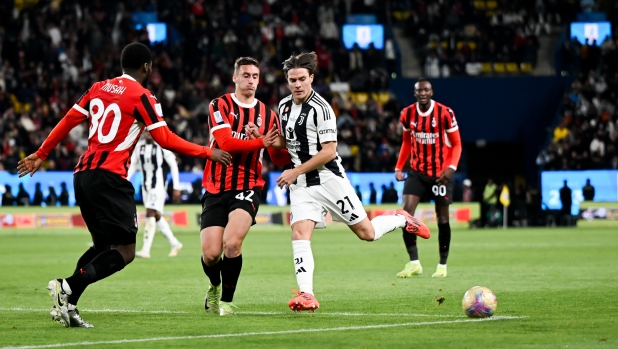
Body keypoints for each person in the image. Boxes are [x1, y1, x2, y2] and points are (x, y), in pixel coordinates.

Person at [16, 43, 231, 328]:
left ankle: (67, 304)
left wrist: (42, 153)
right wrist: (207, 151)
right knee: (126, 251)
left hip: (83, 175)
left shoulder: (97, 88)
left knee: (102, 245)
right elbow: (165, 139)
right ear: (147, 68)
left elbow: (68, 120)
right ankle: (65, 286)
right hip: (110, 178)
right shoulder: (143, 96)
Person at [264, 52, 429, 312]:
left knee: (368, 233)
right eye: (292, 80)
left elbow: (329, 151)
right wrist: (266, 139)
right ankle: (307, 294)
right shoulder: (284, 107)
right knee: (298, 233)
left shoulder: (322, 109)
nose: (297, 84)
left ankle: (402, 219)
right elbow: (291, 141)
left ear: (311, 78)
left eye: (301, 79)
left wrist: (295, 171)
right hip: (302, 185)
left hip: (329, 179)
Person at [199, 57, 286, 317]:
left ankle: (226, 301)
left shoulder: (268, 115)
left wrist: (266, 140)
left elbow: (279, 158)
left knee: (232, 243)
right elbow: (225, 142)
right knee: (211, 254)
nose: (250, 80)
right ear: (235, 77)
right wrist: (260, 142)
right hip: (215, 185)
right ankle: (214, 285)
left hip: (248, 185)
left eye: (255, 76)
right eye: (245, 75)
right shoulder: (219, 104)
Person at [394, 77, 462, 279]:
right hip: (417, 172)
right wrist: (399, 166)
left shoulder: (445, 113)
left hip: (440, 175)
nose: (423, 93)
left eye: (426, 90)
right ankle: (414, 263)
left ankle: (442, 265)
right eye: (419, 90)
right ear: (415, 93)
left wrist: (451, 168)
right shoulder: (407, 114)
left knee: (442, 219)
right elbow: (407, 142)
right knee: (406, 215)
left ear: (431, 92)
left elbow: (457, 144)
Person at [127, 131, 184, 258]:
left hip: (158, 186)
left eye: (150, 131)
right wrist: (124, 180)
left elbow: (173, 165)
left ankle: (145, 250)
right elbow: (133, 166)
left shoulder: (162, 146)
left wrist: (176, 187)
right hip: (145, 187)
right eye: (145, 131)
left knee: (150, 212)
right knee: (156, 215)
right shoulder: (139, 147)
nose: (148, 133)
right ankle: (175, 243)